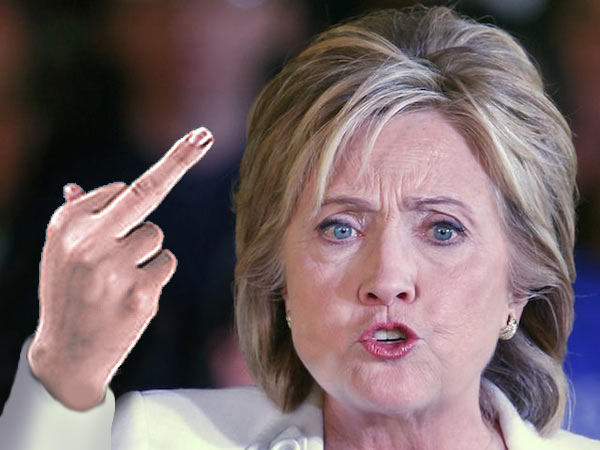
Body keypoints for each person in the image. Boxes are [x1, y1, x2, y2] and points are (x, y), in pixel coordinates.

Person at [1, 5, 599, 449]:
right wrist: (63, 369)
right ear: (279, 275)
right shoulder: (157, 438)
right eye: (340, 228)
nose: (387, 279)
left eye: (443, 230)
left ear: (519, 285)